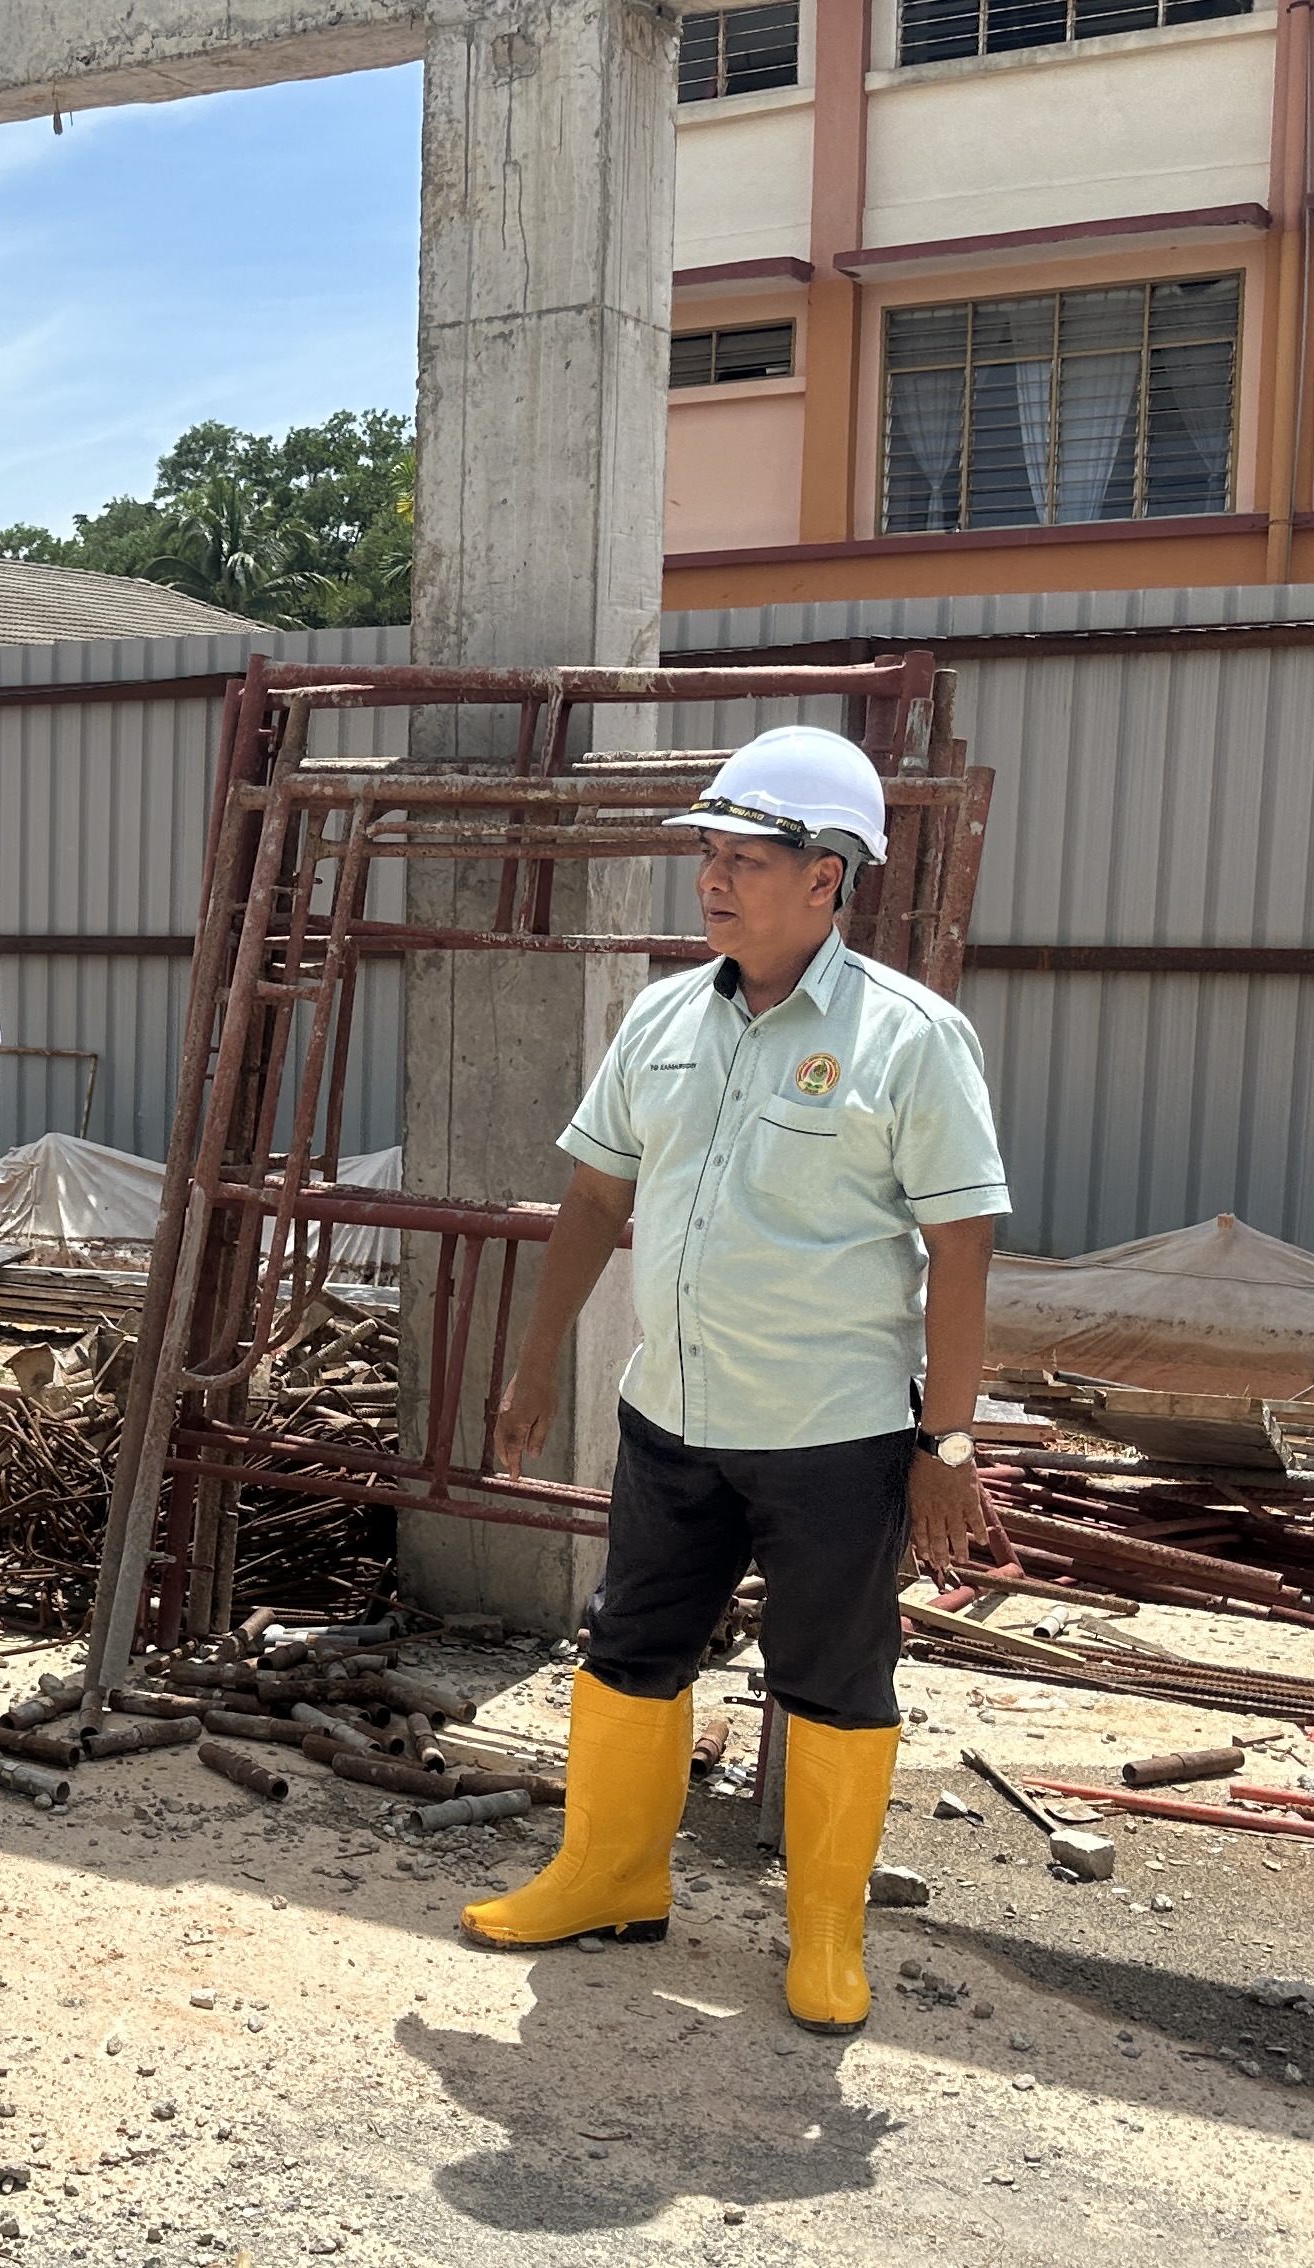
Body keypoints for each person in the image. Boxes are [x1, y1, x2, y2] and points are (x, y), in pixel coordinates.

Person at [459, 723, 1009, 2037]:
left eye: (749, 857)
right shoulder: (660, 1016)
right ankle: (610, 1875)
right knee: (630, 1647)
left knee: (831, 1679)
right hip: (673, 1419)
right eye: (708, 852)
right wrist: (537, 1369)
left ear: (827, 878)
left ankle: (824, 1933)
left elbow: (964, 1248)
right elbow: (594, 1199)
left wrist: (946, 1445)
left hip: (831, 1437)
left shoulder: (909, 1041)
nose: (714, 879)